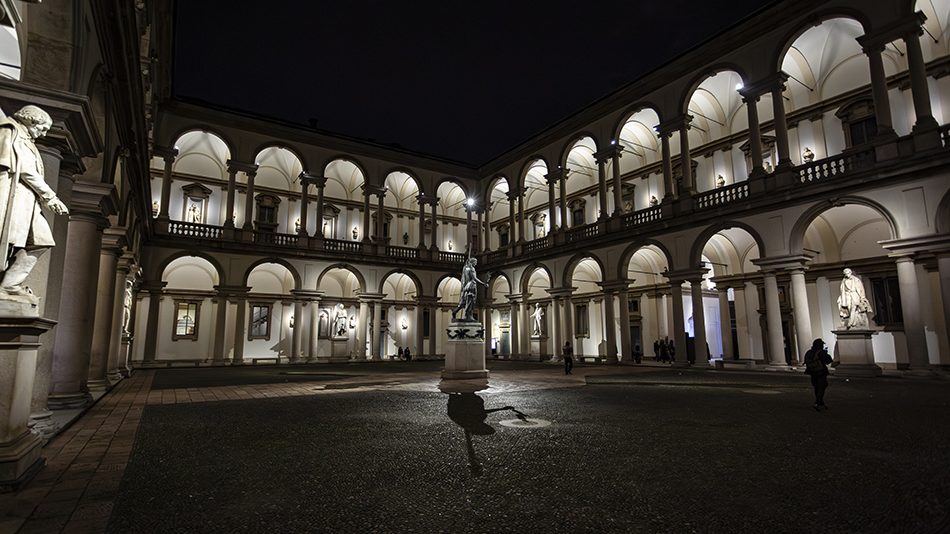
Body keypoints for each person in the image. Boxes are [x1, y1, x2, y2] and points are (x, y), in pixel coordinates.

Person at [0, 105, 69, 301]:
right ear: (30, 120)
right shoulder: (12, 131)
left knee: (42, 239)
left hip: (27, 202)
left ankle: (9, 285)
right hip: (13, 198)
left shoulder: (25, 138)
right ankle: (8, 287)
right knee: (8, 241)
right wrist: (51, 197)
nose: (44, 133)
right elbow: (26, 171)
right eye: (43, 127)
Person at [451, 256, 488, 322]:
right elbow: (474, 278)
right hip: (471, 285)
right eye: (475, 262)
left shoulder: (466, 268)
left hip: (467, 286)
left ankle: (455, 311)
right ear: (472, 262)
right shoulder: (472, 269)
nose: (476, 263)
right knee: (470, 301)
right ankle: (468, 316)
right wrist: (483, 284)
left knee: (465, 301)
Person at [803, 338, 832, 411]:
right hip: (820, 371)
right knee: (822, 386)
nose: (823, 346)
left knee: (816, 387)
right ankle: (817, 402)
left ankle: (820, 402)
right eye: (822, 345)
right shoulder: (820, 352)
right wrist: (826, 354)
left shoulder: (809, 352)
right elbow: (828, 361)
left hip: (812, 372)